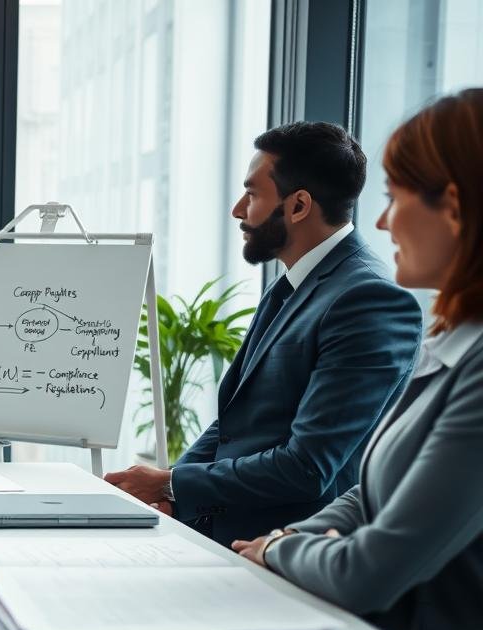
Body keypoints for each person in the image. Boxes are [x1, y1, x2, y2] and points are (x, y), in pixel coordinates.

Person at [233, 89, 483, 630]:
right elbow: (371, 495)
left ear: (453, 206)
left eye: (395, 197)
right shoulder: (454, 336)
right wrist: (288, 537)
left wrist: (276, 551)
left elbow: (376, 566)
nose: (381, 220)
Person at [105, 122, 422, 544]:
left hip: (289, 552)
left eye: (252, 194)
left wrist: (170, 484)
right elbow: (233, 428)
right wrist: (169, 487)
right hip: (225, 535)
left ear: (299, 206)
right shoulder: (293, 283)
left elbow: (308, 466)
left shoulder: (370, 299)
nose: (238, 209)